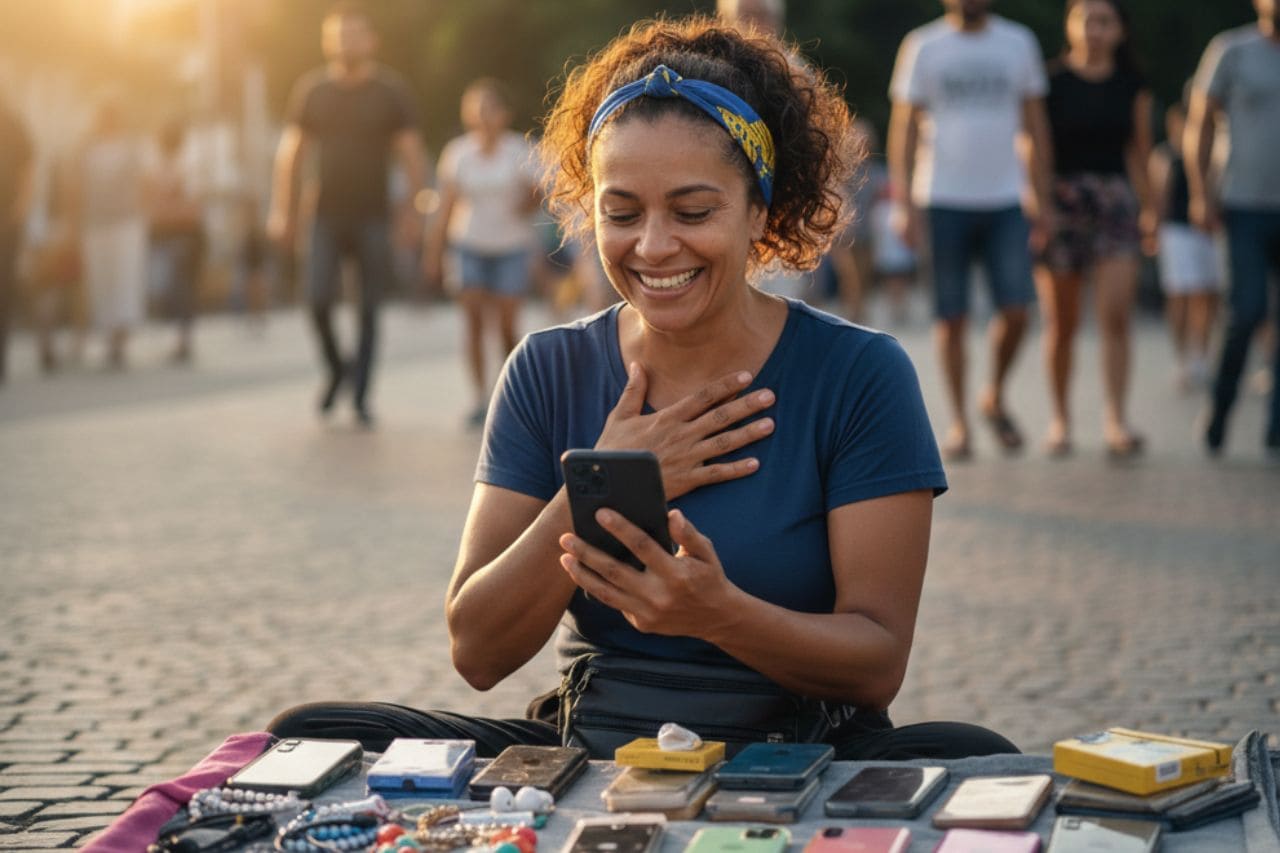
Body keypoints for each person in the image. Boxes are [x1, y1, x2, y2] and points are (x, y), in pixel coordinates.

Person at [267, 16, 1017, 762]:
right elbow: (478, 650)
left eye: (693, 212)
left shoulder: (859, 374)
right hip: (599, 744)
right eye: (621, 213)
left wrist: (718, 615)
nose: (654, 246)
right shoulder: (549, 367)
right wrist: (595, 484)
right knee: (308, 734)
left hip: (800, 750)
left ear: (761, 210)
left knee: (976, 753)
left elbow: (877, 664)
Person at [887, 0, 1053, 461]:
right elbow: (904, 127)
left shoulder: (1018, 41)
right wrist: (903, 202)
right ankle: (959, 421)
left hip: (1006, 198)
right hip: (941, 197)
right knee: (951, 316)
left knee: (1018, 309)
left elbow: (1035, 123)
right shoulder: (924, 45)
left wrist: (1043, 196)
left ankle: (994, 393)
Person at [267, 1, 427, 427]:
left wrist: (412, 213)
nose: (345, 43)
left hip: (374, 215)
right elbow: (292, 153)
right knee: (317, 299)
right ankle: (338, 368)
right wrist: (282, 209)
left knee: (369, 308)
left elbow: (411, 155)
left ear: (370, 41)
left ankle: (360, 394)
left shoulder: (390, 92)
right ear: (326, 42)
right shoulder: (312, 91)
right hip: (324, 214)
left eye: (353, 35)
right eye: (337, 36)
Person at [1033, 0, 1154, 458]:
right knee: (1061, 323)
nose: (1094, 29)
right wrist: (1040, 204)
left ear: (1120, 30)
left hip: (1116, 203)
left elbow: (1140, 151)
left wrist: (1152, 210)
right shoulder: (1049, 80)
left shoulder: (1132, 83)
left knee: (1116, 315)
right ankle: (1061, 419)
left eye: (1104, 21)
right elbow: (1035, 147)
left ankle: (1116, 420)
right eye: (1084, 19)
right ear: (1069, 25)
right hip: (1061, 203)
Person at [1185, 0, 1280, 456]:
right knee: (1246, 310)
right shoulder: (1232, 50)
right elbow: (1200, 123)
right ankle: (1221, 409)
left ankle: (1276, 426)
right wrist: (1201, 192)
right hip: (1243, 204)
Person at [425, 79, 540, 429]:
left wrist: (526, 204)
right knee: (473, 319)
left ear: (504, 114)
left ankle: (513, 392)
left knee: (507, 326)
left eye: (491, 107)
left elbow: (540, 191)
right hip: (468, 244)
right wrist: (433, 251)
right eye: (477, 107)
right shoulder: (458, 153)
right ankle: (478, 396)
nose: (484, 114)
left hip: (509, 246)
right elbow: (445, 205)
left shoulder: (520, 151)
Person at [1149, 99, 1219, 393]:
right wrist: (1154, 229)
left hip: (1207, 231)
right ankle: (1181, 357)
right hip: (1176, 232)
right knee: (1180, 294)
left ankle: (1201, 356)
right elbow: (1158, 195)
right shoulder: (1165, 155)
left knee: (1206, 293)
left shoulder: (1212, 155)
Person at [73, 97, 148, 370]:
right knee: (102, 280)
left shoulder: (130, 148)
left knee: (124, 278)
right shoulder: (87, 150)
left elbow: (143, 183)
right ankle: (109, 335)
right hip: (96, 223)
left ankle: (120, 336)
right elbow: (77, 187)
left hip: (126, 222)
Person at [145, 119, 204, 364]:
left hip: (184, 237)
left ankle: (183, 339)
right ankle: (180, 338)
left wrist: (165, 211)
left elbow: (192, 209)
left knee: (180, 289)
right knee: (173, 290)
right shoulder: (162, 170)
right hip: (168, 236)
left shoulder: (184, 169)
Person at [0, 92, 34, 385]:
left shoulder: (12, 123)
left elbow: (28, 169)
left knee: (4, 289)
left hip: (6, 220)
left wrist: (20, 209)